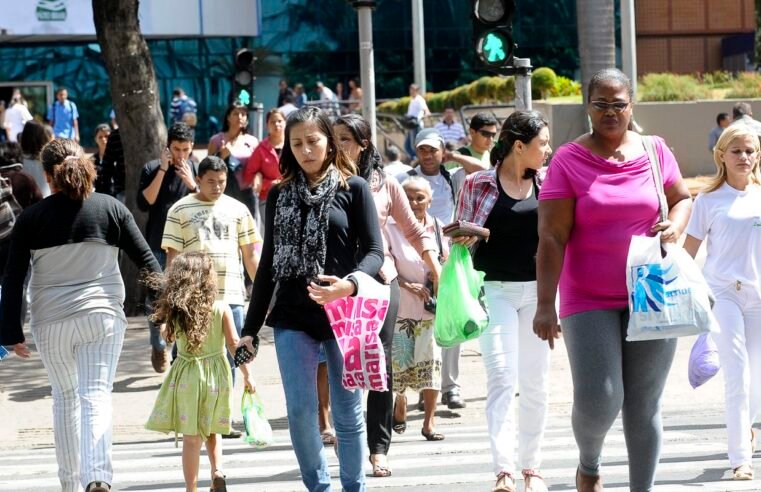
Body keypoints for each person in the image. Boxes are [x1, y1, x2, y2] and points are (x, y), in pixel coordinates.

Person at [533, 68, 692, 492]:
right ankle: (590, 463)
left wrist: (675, 225)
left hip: (651, 292)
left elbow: (681, 199)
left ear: (631, 106)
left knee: (643, 405)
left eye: (618, 103)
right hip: (588, 296)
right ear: (588, 107)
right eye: (600, 104)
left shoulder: (655, 151)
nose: (610, 112)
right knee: (600, 397)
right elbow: (551, 235)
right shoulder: (569, 158)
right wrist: (545, 304)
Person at [0, 139, 161, 492]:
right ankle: (97, 476)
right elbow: (149, 264)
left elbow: (13, 278)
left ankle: (71, 485)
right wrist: (169, 313)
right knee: (96, 395)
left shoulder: (32, 218)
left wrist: (10, 332)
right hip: (102, 317)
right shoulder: (111, 209)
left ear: (46, 176)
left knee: (65, 398)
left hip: (51, 322)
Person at [239, 106, 384, 491]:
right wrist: (249, 330)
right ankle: (318, 487)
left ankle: (354, 487)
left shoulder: (354, 188)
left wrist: (348, 284)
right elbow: (268, 264)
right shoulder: (279, 194)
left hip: (343, 313)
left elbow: (374, 252)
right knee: (302, 413)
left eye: (313, 141)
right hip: (292, 315)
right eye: (297, 143)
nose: (305, 150)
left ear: (329, 142)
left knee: (348, 412)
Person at [334, 114, 441, 477]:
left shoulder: (386, 185)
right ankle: (348, 438)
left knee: (381, 365)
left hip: (380, 282)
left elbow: (413, 230)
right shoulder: (322, 181)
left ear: (364, 144)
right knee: (342, 363)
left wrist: (435, 267)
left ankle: (379, 449)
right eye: (334, 139)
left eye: (345, 139)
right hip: (336, 286)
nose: (338, 146)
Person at [456, 110, 553, 492]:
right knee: (501, 378)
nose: (547, 150)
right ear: (518, 146)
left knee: (536, 383)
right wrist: (468, 235)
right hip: (493, 291)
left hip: (539, 294)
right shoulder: (478, 183)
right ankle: (504, 470)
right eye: (542, 143)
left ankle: (533, 468)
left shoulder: (548, 184)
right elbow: (459, 240)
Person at [683, 124, 761, 481]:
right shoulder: (708, 201)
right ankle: (740, 458)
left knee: (757, 378)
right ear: (722, 156)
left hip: (759, 296)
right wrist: (695, 296)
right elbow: (689, 254)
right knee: (737, 373)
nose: (744, 157)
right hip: (724, 294)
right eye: (737, 151)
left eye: (750, 151)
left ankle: (746, 430)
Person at [161, 155, 261, 425]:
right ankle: (189, 413)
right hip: (192, 300)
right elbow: (172, 260)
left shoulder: (239, 210)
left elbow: (251, 256)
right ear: (199, 179)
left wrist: (265, 294)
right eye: (210, 182)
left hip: (232, 295)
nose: (217, 187)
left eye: (222, 182)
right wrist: (169, 302)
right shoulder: (179, 210)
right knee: (189, 356)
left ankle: (221, 418)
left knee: (232, 354)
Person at [145, 252, 255, 492]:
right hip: (217, 375)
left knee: (191, 438)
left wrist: (166, 324)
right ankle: (217, 471)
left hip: (188, 377)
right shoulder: (221, 307)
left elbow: (168, 337)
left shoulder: (177, 310)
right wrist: (247, 374)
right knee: (212, 426)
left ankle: (191, 488)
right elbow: (234, 343)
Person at [387, 176, 448, 444]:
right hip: (400, 309)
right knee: (400, 366)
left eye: (419, 197)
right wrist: (407, 284)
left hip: (431, 311)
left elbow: (445, 262)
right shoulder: (388, 228)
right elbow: (383, 265)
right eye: (408, 197)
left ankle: (429, 421)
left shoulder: (438, 228)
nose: (413, 203)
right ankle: (400, 401)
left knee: (431, 364)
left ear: (430, 200)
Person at [137, 122, 198, 373]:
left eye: (185, 149)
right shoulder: (152, 168)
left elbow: (206, 200)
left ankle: (178, 353)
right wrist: (163, 169)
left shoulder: (194, 169)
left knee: (185, 298)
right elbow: (146, 202)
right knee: (158, 298)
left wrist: (192, 183)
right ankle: (158, 344)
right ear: (167, 148)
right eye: (176, 149)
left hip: (187, 246)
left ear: (192, 147)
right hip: (157, 243)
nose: (181, 155)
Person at [207, 101, 260, 221]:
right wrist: (221, 155)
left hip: (247, 192)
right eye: (236, 113)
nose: (240, 117)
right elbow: (207, 168)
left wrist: (258, 175)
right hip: (224, 192)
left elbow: (259, 166)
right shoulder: (216, 140)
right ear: (228, 117)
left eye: (243, 114)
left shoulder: (252, 141)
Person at [245, 108, 285, 236]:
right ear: (267, 125)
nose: (277, 124)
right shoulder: (261, 149)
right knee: (272, 236)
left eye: (280, 121)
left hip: (292, 197)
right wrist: (268, 183)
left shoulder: (293, 145)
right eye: (273, 122)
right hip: (268, 199)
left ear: (285, 123)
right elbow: (248, 175)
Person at [446, 112, 499, 198]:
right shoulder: (457, 157)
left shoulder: (494, 156)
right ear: (472, 132)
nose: (491, 139)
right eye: (486, 134)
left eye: (493, 135)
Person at [19, 120, 53, 197]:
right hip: (45, 200)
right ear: (42, 136)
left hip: (25, 203)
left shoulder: (18, 159)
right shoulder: (48, 158)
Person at [404, 84, 431, 159]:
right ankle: (414, 159)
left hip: (416, 124)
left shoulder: (419, 99)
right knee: (407, 145)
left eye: (413, 90)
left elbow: (426, 110)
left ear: (417, 91)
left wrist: (426, 114)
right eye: (411, 89)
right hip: (410, 124)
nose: (411, 91)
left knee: (415, 145)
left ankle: (417, 159)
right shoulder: (412, 99)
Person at [91, 124, 114, 196]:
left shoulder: (116, 158)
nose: (103, 139)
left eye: (106, 136)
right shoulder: (92, 160)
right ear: (95, 139)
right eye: (100, 137)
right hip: (98, 195)